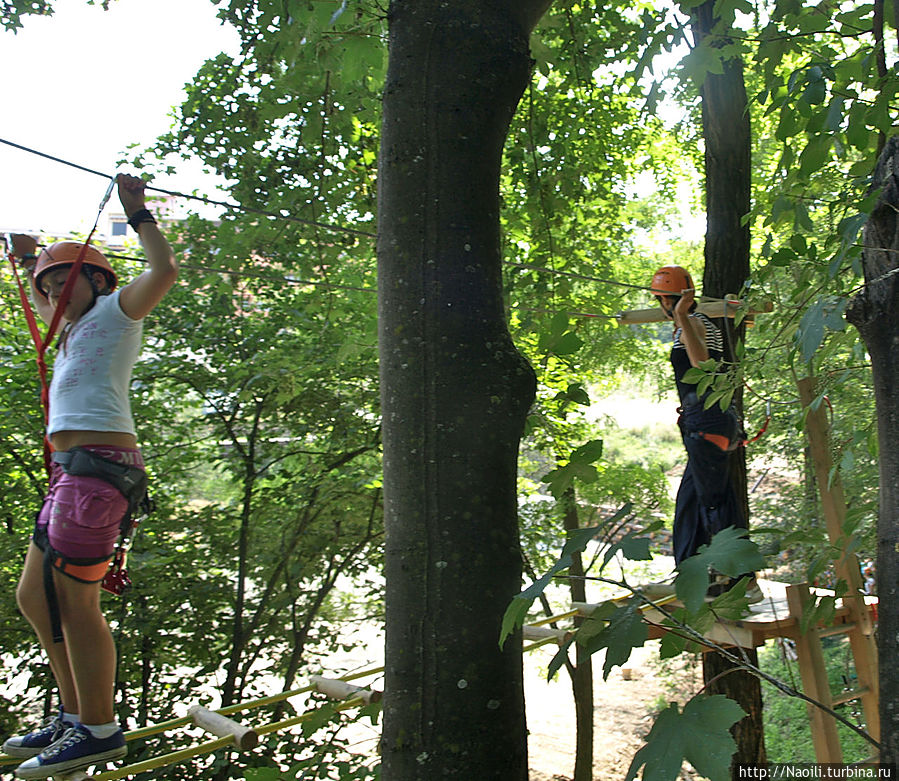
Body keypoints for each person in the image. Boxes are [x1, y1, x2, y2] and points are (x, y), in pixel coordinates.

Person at [3, 174, 178, 779]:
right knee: (34, 596)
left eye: (63, 279)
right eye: (47, 285)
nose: (52, 291)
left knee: (76, 602)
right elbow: (41, 305)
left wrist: (139, 213)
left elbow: (163, 273)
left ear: (97, 280)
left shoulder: (114, 314)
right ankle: (75, 713)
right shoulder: (71, 332)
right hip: (71, 475)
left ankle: (99, 728)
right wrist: (26, 259)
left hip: (99, 473)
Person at [651, 265, 760, 601]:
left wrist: (684, 316)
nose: (661, 306)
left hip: (708, 422)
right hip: (705, 422)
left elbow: (702, 365)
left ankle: (744, 580)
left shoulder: (695, 322)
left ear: (672, 300)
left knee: (715, 503)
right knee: (689, 503)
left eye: (662, 300)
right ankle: (690, 575)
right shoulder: (690, 325)